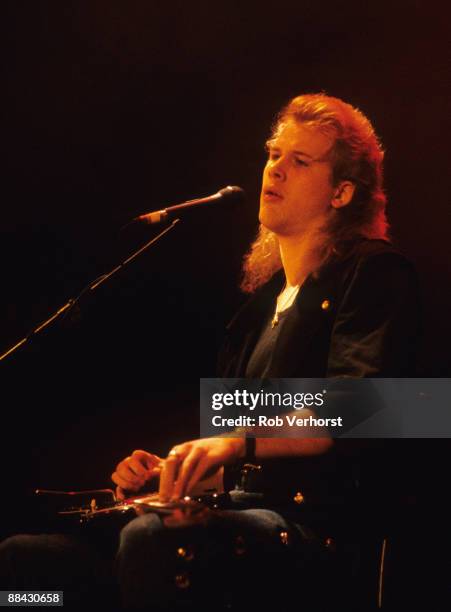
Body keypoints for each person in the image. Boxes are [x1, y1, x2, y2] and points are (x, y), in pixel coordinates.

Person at [111, 93, 421, 609]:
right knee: (33, 561)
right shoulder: (255, 310)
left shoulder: (377, 273)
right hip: (242, 514)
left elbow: (371, 409)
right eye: (274, 154)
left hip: (317, 534)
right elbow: (231, 455)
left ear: (342, 192)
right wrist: (171, 471)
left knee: (151, 542)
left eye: (299, 161)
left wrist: (234, 445)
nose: (275, 169)